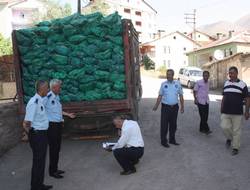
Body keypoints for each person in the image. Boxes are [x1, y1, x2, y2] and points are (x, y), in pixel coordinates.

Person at [23, 80, 53, 190]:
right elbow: (26, 123)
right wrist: (31, 135)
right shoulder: (33, 102)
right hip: (37, 135)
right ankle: (35, 187)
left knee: (41, 161)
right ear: (42, 89)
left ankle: (39, 185)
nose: (48, 90)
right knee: (38, 162)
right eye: (47, 88)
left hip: (42, 134)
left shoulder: (40, 100)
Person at [43, 79, 76, 179]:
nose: (60, 89)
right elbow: (40, 109)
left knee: (57, 148)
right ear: (53, 87)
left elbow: (58, 110)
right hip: (51, 126)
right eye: (59, 87)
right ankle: (52, 172)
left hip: (57, 125)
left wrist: (68, 114)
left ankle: (55, 168)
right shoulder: (47, 97)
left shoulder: (56, 97)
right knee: (53, 149)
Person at [220, 66, 249, 155]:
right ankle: (229, 138)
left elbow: (247, 98)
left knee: (237, 130)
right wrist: (221, 107)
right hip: (226, 111)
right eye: (229, 73)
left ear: (237, 73)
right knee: (224, 127)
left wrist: (247, 111)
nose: (230, 75)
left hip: (237, 112)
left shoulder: (242, 84)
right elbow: (224, 96)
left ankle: (235, 147)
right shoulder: (226, 83)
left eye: (232, 73)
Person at [153, 69, 184, 147]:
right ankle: (163, 141)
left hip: (175, 107)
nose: (168, 76)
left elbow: (181, 95)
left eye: (169, 74)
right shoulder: (163, 84)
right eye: (167, 74)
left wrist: (182, 107)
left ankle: (172, 140)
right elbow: (160, 95)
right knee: (164, 125)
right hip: (165, 107)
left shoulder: (177, 84)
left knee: (173, 124)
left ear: (173, 75)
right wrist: (156, 105)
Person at [193, 71, 212, 135]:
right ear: (203, 76)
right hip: (200, 101)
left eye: (207, 76)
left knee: (205, 116)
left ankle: (201, 128)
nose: (205, 77)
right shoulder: (199, 82)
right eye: (204, 75)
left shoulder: (208, 83)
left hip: (206, 101)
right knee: (203, 116)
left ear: (208, 76)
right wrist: (195, 99)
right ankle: (207, 129)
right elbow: (195, 90)